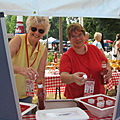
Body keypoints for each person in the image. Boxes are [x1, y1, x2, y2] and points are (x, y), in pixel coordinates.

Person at [60, 23, 112, 106]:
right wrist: (73, 77)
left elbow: (105, 62)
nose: (77, 38)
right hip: (77, 101)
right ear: (69, 39)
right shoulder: (67, 56)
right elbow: (63, 77)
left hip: (97, 99)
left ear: (84, 36)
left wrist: (109, 70)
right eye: (73, 36)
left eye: (80, 34)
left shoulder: (94, 49)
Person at [9, 16, 50, 104]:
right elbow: (3, 63)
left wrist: (41, 89)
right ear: (28, 28)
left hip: (27, 95)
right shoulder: (18, 40)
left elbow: (40, 75)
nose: (36, 32)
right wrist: (21, 70)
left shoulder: (43, 50)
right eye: (34, 29)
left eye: (41, 31)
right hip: (9, 92)